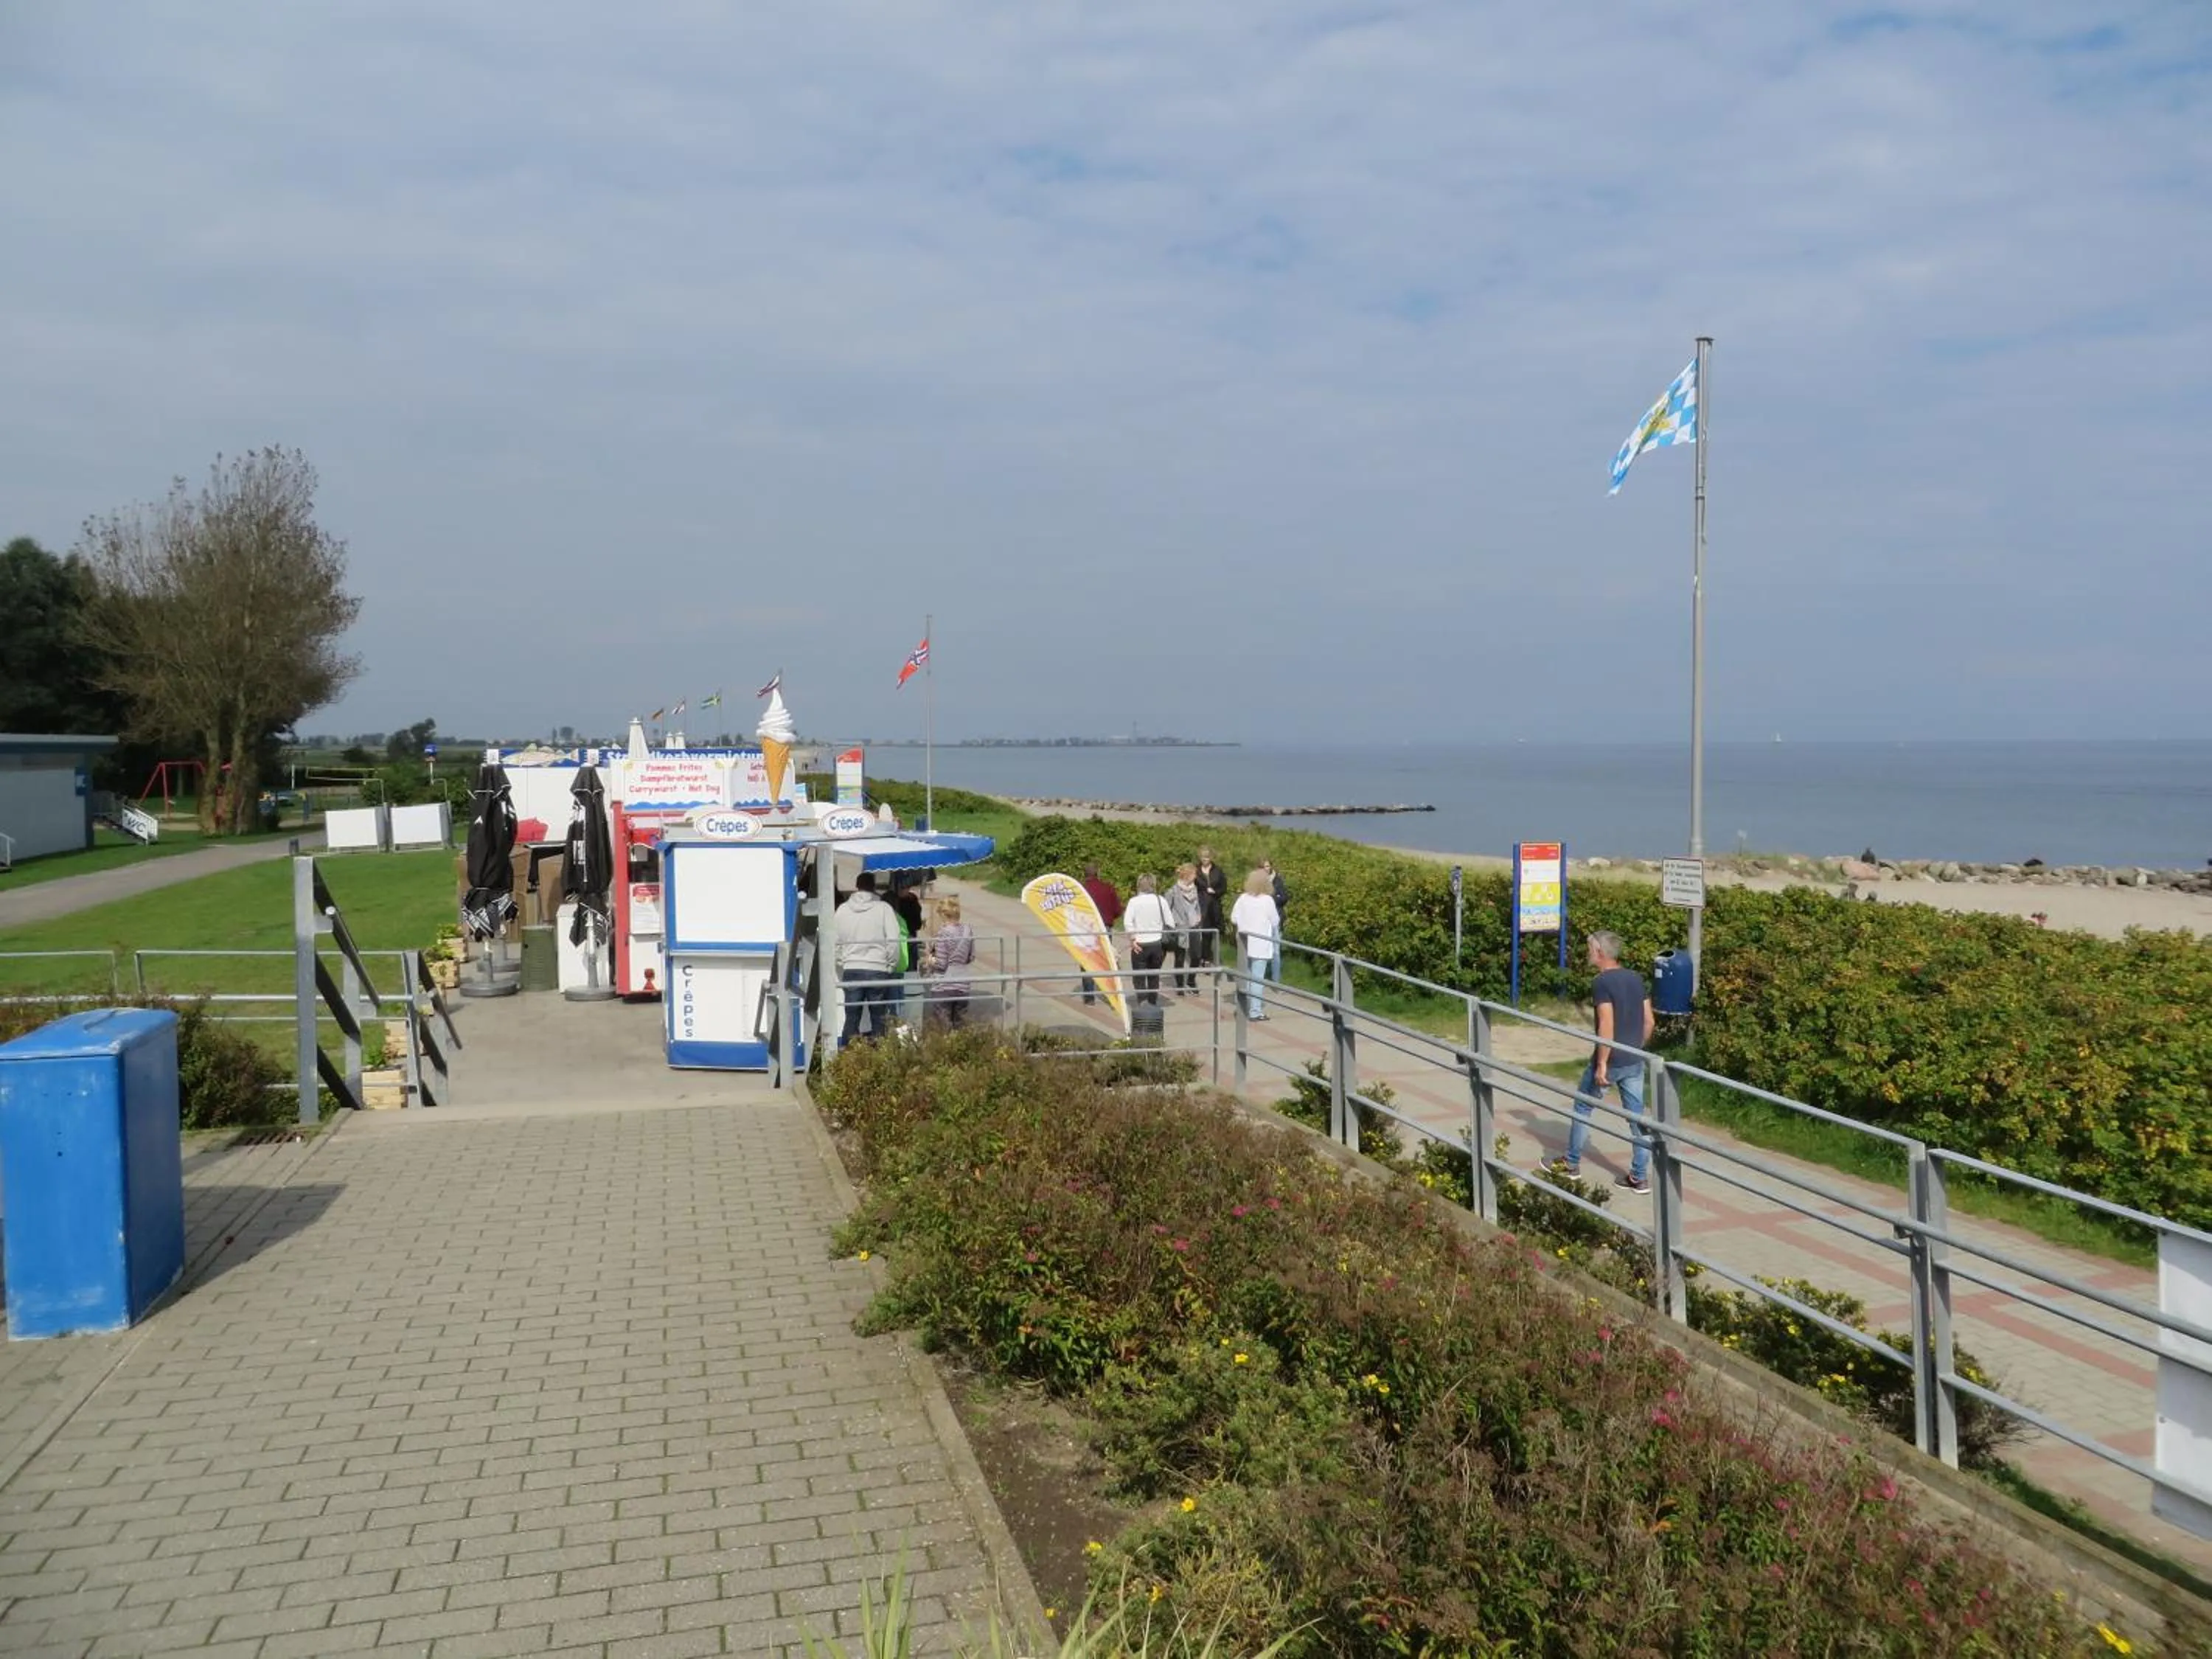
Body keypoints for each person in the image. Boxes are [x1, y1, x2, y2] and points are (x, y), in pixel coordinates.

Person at [1548, 931, 1656, 1192]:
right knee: (1636, 1118)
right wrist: (1637, 1048)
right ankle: (1639, 1177)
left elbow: (1606, 1024)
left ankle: (1571, 1163)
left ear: (1600, 953)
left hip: (1612, 1058)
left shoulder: (1602, 983)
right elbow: (1649, 1020)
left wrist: (1602, 1063)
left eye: (1589, 949)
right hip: (1634, 1059)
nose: (1587, 953)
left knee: (1583, 1108)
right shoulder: (1636, 978)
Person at [836, 873, 904, 1044]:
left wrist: (842, 961)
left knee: (851, 1017)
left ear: (856, 886)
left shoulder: (842, 910)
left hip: (852, 968)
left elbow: (833, 940)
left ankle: (848, 1055)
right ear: (874, 887)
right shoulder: (884, 909)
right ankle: (879, 1056)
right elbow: (894, 940)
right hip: (878, 968)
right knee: (879, 1018)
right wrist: (890, 965)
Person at [1229, 869, 1279, 1021]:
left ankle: (1244, 1007)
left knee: (1247, 976)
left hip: (1245, 943)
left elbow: (1233, 918)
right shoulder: (1267, 900)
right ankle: (1255, 1010)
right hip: (1261, 944)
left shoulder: (1243, 898)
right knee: (1257, 978)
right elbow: (1275, 921)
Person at [1121, 873, 1173, 1006]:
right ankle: (1153, 1002)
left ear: (1139, 885)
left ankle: (1142, 1002)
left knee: (1139, 976)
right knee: (1154, 975)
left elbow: (1128, 922)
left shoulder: (1134, 902)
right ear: (1153, 885)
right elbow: (1170, 922)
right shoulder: (1161, 900)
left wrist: (1132, 939)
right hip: (1157, 943)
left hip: (1140, 943)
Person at [925, 894, 975, 1026]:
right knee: (961, 1028)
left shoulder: (943, 934)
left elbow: (941, 964)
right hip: (963, 984)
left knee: (943, 1028)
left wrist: (930, 960)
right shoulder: (967, 930)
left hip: (943, 985)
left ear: (943, 915)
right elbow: (971, 957)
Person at [1078, 862, 1122, 1005]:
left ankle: (1089, 996)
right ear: (1098, 873)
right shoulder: (1108, 888)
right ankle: (1112, 996)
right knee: (1107, 960)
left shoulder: (1081, 891)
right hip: (1105, 928)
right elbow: (1117, 910)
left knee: (1087, 960)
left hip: (1086, 929)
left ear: (1085, 875)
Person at [1166, 863, 1203, 995]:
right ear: (1187, 875)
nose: (1196, 876)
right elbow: (1166, 909)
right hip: (1180, 928)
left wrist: (1199, 916)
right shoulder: (1173, 891)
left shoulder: (1195, 889)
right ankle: (1180, 984)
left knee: (1197, 955)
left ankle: (1192, 980)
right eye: (1194, 874)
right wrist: (1172, 924)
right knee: (1180, 957)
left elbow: (1197, 905)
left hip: (1194, 926)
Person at [1192, 846, 1228, 974]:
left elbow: (1224, 887)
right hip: (1201, 905)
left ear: (1211, 858)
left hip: (1215, 905)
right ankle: (1203, 958)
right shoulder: (1196, 870)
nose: (1205, 860)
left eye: (1207, 858)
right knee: (1203, 933)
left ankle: (1209, 958)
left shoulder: (1218, 870)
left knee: (1213, 933)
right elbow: (1192, 886)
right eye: (1203, 858)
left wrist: (1216, 892)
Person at [1254, 860, 1288, 994]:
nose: (1266, 869)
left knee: (1276, 951)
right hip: (1261, 921)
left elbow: (1284, 897)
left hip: (1275, 919)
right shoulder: (1256, 881)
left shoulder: (1278, 880)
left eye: (1267, 866)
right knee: (1259, 950)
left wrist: (1271, 898)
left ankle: (1276, 982)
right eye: (1263, 867)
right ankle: (1257, 980)